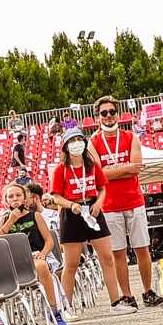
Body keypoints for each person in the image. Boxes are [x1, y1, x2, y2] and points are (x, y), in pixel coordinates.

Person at [88, 96, 163, 308]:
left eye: (112, 111)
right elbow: (97, 175)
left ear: (118, 114)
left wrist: (111, 172)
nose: (109, 115)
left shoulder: (131, 137)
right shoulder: (93, 142)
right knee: (118, 253)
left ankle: (148, 291)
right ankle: (128, 295)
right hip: (110, 205)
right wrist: (125, 169)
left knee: (142, 248)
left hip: (134, 200)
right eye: (104, 113)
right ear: (97, 117)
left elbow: (136, 166)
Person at [49, 126, 123, 313]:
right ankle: (67, 307)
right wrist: (70, 205)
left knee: (107, 257)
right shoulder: (61, 170)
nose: (76, 145)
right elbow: (56, 197)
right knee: (71, 263)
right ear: (65, 146)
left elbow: (102, 188)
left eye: (79, 140)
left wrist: (98, 203)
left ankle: (116, 302)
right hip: (72, 213)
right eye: (72, 141)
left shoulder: (92, 165)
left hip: (93, 210)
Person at [0, 181, 65, 325]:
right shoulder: (4, 218)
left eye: (18, 195)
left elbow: (49, 240)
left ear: (25, 198)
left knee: (41, 266)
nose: (15, 199)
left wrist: (44, 253)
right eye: (11, 196)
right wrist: (10, 221)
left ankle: (53, 310)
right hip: (12, 261)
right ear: (6, 200)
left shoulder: (35, 216)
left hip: (34, 256)